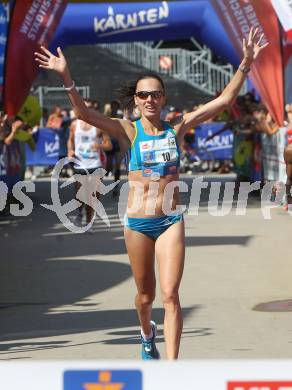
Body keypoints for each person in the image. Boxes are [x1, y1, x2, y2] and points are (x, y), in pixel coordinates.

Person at [35, 27, 267, 359]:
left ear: (163, 97)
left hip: (171, 220)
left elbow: (224, 101)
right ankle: (147, 333)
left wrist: (245, 63)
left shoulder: (178, 126)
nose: (149, 100)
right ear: (136, 99)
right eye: (143, 95)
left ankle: (171, 369)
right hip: (138, 224)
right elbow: (85, 115)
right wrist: (66, 76)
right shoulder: (128, 130)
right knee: (146, 297)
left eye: (155, 94)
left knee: (170, 295)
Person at [67, 101, 112, 229]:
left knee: (93, 195)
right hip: (80, 164)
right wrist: (70, 150)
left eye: (89, 107)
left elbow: (109, 145)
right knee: (80, 194)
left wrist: (100, 145)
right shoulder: (74, 125)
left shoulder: (99, 126)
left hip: (96, 164)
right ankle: (80, 212)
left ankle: (89, 222)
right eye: (82, 107)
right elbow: (70, 140)